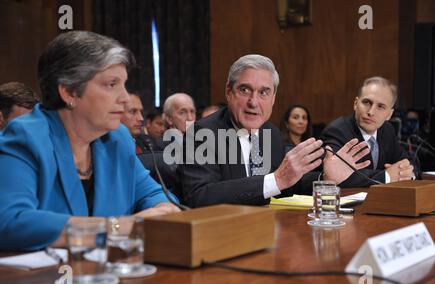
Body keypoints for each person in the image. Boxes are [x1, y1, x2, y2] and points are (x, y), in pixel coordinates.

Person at [0, 31, 179, 251]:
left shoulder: (117, 139)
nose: (124, 97)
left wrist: (163, 208)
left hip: (109, 276)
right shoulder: (26, 138)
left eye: (124, 84)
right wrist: (116, 227)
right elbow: (11, 222)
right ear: (69, 92)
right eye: (111, 84)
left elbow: (153, 194)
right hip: (44, 281)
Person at [178, 54, 371, 207]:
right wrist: (277, 179)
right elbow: (199, 196)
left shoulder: (270, 133)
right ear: (228, 92)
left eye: (264, 92)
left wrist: (325, 179)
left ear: (273, 99)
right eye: (245, 90)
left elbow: (286, 185)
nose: (253, 102)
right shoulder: (202, 133)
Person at [320, 76, 416, 187]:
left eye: (380, 106)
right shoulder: (336, 131)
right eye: (366, 102)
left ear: (389, 114)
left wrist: (407, 172)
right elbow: (337, 175)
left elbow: (406, 160)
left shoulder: (387, 130)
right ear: (356, 104)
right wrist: (387, 176)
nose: (371, 112)